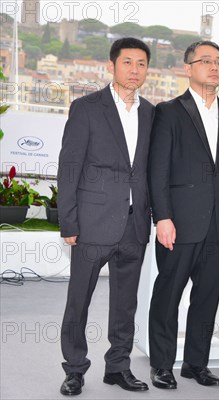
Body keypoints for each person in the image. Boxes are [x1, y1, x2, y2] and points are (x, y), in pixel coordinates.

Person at [147, 40, 219, 389]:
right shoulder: (169, 112)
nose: (215, 67)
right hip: (180, 222)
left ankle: (195, 364)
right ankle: (162, 364)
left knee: (207, 298)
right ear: (187, 68)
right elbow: (157, 170)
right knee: (168, 295)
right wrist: (162, 216)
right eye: (206, 61)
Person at [57, 37, 154, 395]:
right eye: (127, 62)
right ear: (111, 66)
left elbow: (147, 170)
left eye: (141, 64)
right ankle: (75, 369)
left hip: (134, 224)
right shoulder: (87, 108)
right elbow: (69, 168)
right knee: (78, 301)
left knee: (125, 303)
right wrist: (68, 221)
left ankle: (117, 367)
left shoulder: (150, 112)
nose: (135, 70)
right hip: (91, 224)